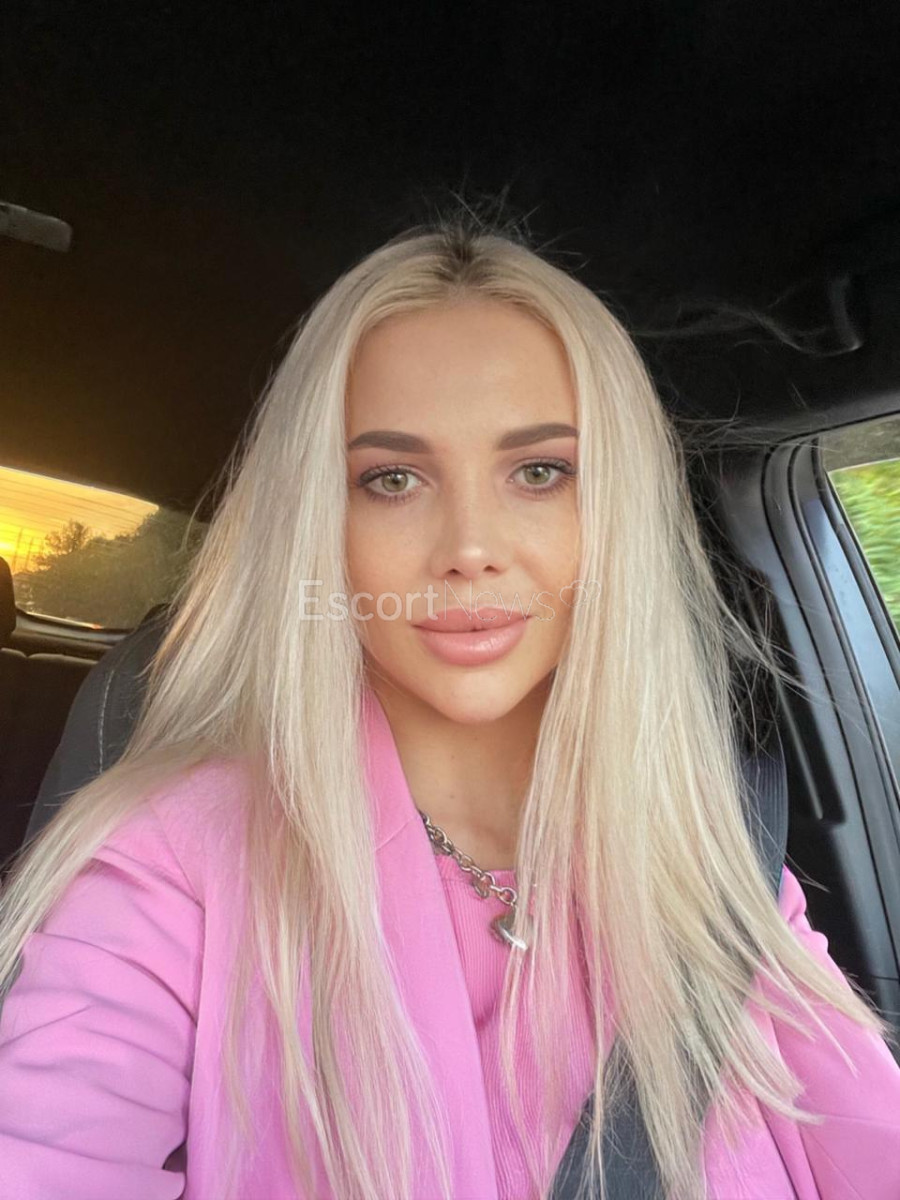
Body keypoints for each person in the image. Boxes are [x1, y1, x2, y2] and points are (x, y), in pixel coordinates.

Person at [1, 212, 899, 1200]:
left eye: (541, 472)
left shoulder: (712, 850)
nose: (470, 547)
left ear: (615, 517)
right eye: (392, 479)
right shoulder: (170, 865)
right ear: (319, 525)